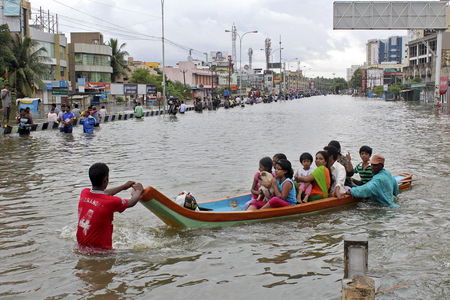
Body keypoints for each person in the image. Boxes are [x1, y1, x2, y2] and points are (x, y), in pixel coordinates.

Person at [76, 163, 144, 250]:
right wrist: (138, 191)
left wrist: (123, 187)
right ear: (106, 180)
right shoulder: (111, 202)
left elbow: (104, 193)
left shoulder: (84, 193)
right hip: (102, 252)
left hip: (81, 248)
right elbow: (131, 203)